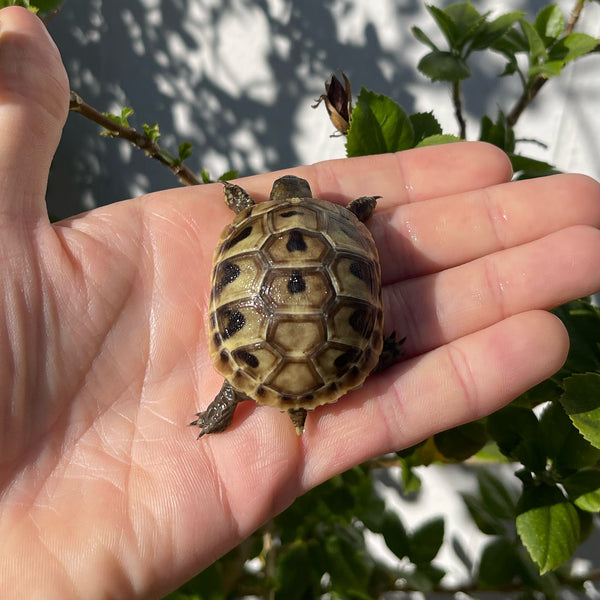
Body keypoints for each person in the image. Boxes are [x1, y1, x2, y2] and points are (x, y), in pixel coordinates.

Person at [0, 6, 599, 598]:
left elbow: (245, 206)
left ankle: (225, 402)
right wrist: (357, 209)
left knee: (245, 377)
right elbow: (356, 220)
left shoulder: (250, 216)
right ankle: (361, 361)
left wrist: (239, 198)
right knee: (369, 348)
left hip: (255, 354)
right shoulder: (344, 220)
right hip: (336, 344)